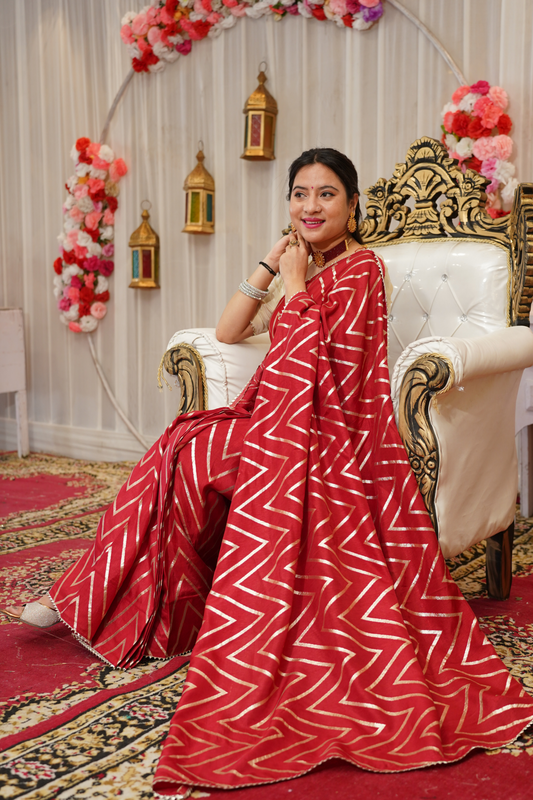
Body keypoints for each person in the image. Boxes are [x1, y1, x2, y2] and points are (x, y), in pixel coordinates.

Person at [3, 149, 533, 800]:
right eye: (299, 193)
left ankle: (112, 603)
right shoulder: (299, 265)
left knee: (192, 451)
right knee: (181, 446)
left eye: (326, 194)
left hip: (329, 434)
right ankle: (131, 607)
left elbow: (329, 367)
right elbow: (231, 330)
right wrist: (270, 264)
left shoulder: (362, 268)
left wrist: (296, 282)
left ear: (352, 205)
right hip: (279, 417)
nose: (310, 206)